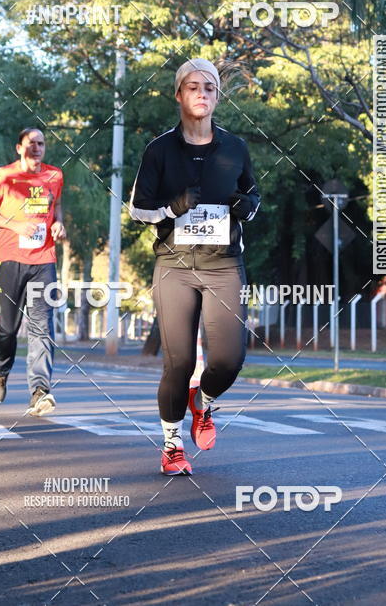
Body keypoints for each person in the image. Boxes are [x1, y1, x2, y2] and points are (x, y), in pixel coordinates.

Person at [129, 58, 260, 474]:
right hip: (175, 265)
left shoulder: (235, 148)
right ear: (179, 94)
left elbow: (254, 197)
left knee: (229, 359)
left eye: (209, 87)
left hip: (223, 264)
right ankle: (172, 445)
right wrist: (172, 207)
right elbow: (137, 209)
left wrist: (246, 206)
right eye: (193, 87)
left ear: (217, 96)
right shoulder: (160, 150)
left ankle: (202, 402)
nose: (202, 93)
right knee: (179, 362)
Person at [0, 127, 66, 416]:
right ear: (19, 148)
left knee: (42, 326)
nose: (37, 148)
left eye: (41, 143)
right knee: (8, 327)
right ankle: (0, 371)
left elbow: (57, 206)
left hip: (44, 260)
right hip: (9, 260)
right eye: (31, 143)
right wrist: (15, 225)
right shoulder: (4, 176)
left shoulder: (55, 175)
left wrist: (59, 223)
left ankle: (40, 391)